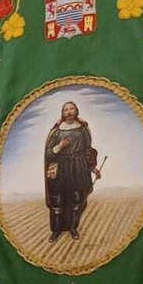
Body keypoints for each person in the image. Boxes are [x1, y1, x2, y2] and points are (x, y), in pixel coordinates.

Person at [44, 100, 100, 243]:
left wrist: (93, 167)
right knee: (58, 198)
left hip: (78, 166)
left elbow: (88, 149)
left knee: (77, 197)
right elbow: (49, 153)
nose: (68, 112)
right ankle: (56, 230)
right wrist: (60, 146)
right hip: (60, 167)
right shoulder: (56, 131)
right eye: (65, 110)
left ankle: (73, 228)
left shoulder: (82, 129)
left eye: (71, 109)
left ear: (76, 111)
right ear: (62, 113)